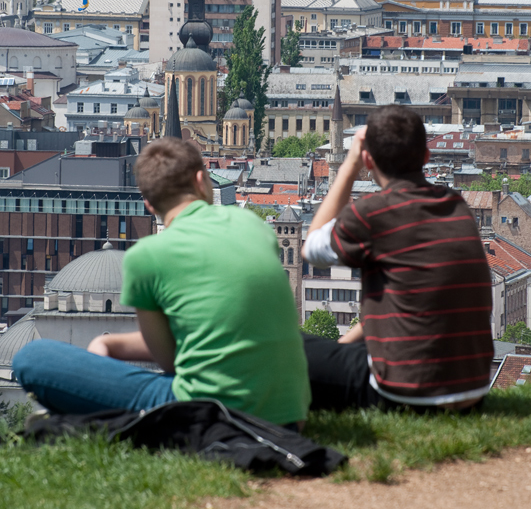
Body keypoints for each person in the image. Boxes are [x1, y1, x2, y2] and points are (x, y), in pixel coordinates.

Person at [14, 138, 311, 427]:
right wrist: (110, 342)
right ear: (201, 180)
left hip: (214, 415)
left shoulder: (146, 257)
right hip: (288, 415)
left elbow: (169, 359)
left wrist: (104, 352)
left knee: (32, 357)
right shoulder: (255, 227)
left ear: (147, 202)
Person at [302, 105, 493, 412]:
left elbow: (312, 247)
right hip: (471, 389)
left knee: (288, 348)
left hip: (405, 392)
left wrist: (349, 167)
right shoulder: (455, 205)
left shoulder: (373, 212)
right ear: (426, 158)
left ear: (368, 160)